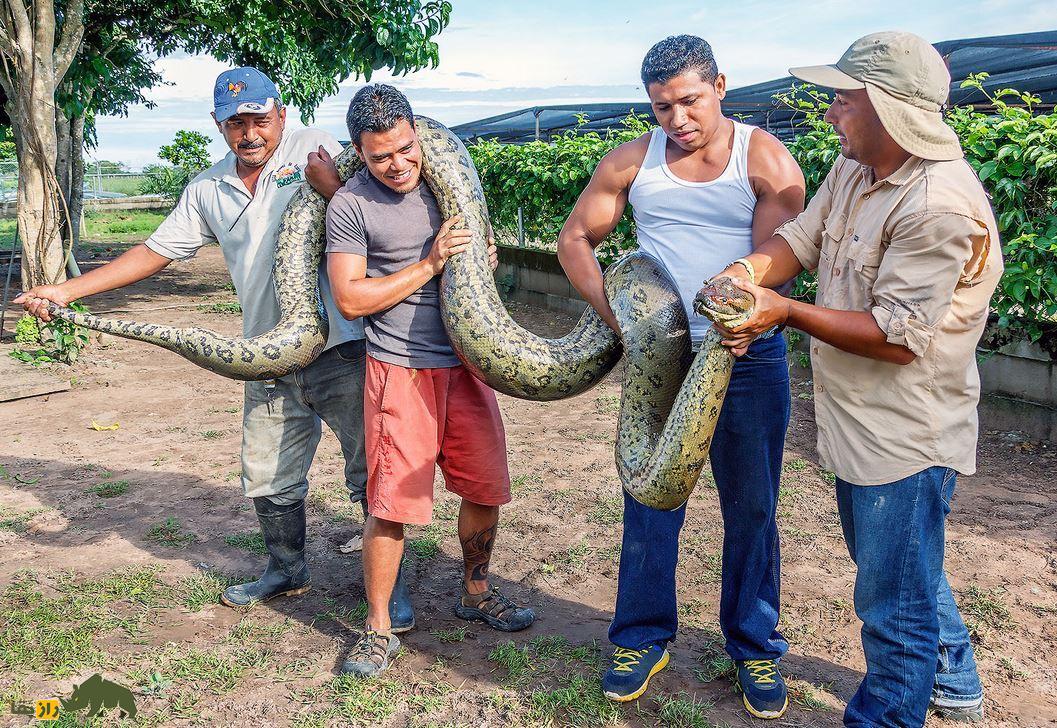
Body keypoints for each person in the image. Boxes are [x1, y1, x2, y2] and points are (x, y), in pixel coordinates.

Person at [14, 67, 416, 629]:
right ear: (219, 125)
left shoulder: (318, 149)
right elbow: (155, 251)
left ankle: (388, 589)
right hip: (265, 353)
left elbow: (393, 206)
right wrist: (66, 289)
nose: (249, 133)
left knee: (369, 470)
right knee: (268, 471)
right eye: (235, 124)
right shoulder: (208, 187)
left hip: (342, 347)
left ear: (280, 113)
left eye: (258, 119)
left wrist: (333, 191)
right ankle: (286, 567)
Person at [710, 32, 1001, 726]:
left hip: (904, 436)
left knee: (890, 610)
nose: (831, 110)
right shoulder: (856, 167)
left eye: (844, 97)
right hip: (857, 421)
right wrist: (748, 274)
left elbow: (899, 340)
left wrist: (781, 310)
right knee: (903, 567)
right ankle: (955, 678)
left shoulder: (935, 203)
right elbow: (802, 238)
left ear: (890, 109)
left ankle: (885, 713)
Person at [557, 35, 805, 718]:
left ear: (719, 85)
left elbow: (780, 252)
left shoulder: (763, 158)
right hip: (661, 355)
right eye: (662, 106)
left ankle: (753, 645)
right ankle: (640, 637)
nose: (676, 119)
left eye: (689, 100)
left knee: (751, 508)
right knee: (649, 498)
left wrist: (742, 297)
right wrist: (618, 318)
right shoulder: (633, 162)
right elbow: (575, 239)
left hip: (746, 358)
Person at [321, 83, 533, 677]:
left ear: (419, 134)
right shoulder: (351, 206)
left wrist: (479, 261)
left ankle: (476, 592)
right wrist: (431, 263)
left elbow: (479, 254)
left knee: (485, 489)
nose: (398, 164)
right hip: (400, 367)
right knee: (391, 506)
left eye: (406, 148)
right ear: (359, 153)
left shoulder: (449, 185)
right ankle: (378, 628)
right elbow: (351, 297)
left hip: (469, 364)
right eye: (380, 155)